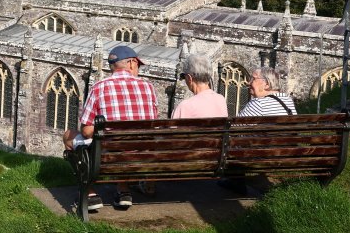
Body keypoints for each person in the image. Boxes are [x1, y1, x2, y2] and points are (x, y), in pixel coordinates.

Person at [63, 44, 158, 211]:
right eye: (138, 65)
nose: (138, 69)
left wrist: (103, 130)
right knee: (127, 142)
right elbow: (152, 123)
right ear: (131, 63)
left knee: (69, 136)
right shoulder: (148, 87)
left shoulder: (99, 87)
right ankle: (123, 191)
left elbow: (85, 132)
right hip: (139, 154)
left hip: (107, 155)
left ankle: (91, 194)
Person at [171, 53, 229, 119]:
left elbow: (173, 129)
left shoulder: (185, 107)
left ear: (189, 78)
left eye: (183, 76)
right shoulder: (221, 100)